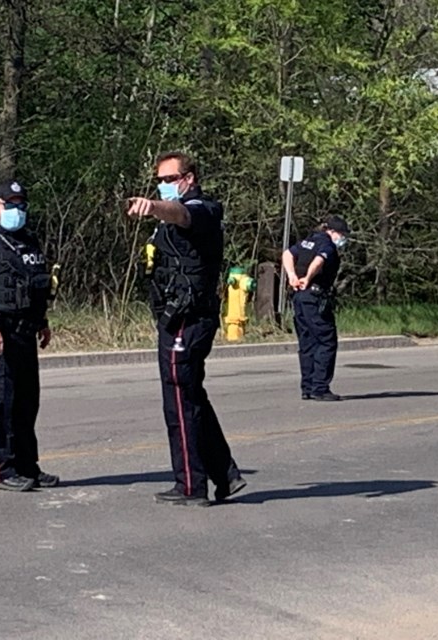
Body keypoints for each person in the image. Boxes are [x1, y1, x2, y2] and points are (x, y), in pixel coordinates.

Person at [125, 151, 246, 507]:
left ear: (189, 178)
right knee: (190, 396)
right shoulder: (173, 216)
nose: (163, 187)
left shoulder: (202, 209)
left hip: (189, 319)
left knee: (180, 400)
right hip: (174, 316)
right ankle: (225, 474)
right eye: (159, 181)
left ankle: (192, 484)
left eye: (169, 179)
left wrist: (153, 207)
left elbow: (181, 214)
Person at [0, 179, 59, 492]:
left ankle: (27, 465)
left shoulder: (28, 242)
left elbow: (35, 286)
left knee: (26, 403)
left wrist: (42, 321)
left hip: (25, 333)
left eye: (20, 204)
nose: (16, 209)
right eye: (10, 203)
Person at [282, 215, 350, 401]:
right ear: (332, 232)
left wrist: (292, 276)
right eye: (342, 234)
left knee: (307, 342)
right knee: (326, 340)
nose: (343, 238)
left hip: (298, 297)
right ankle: (320, 387)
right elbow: (319, 261)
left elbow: (287, 254)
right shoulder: (326, 244)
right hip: (315, 297)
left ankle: (307, 387)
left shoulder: (307, 241)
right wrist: (308, 278)